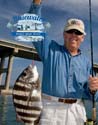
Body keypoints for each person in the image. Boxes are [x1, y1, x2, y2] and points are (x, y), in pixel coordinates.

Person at [28, 0, 98, 125]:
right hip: (49, 110)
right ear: (64, 34)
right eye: (70, 31)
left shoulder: (87, 63)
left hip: (76, 111)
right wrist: (36, 3)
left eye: (78, 32)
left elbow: (91, 96)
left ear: (82, 37)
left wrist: (93, 90)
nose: (73, 35)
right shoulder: (49, 49)